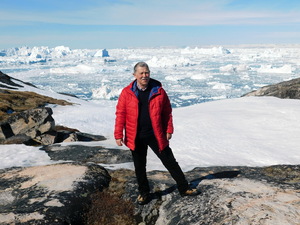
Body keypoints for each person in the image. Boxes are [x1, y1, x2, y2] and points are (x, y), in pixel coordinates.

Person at [114, 62, 200, 205]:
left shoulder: (158, 90)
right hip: (136, 136)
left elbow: (167, 112)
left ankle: (184, 188)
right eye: (141, 73)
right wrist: (118, 134)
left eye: (146, 72)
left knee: (170, 161)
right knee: (139, 166)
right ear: (134, 75)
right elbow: (120, 114)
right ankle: (144, 193)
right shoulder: (126, 92)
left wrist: (169, 129)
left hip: (156, 134)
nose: (144, 76)